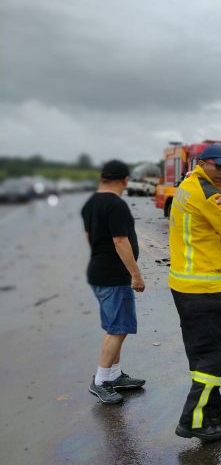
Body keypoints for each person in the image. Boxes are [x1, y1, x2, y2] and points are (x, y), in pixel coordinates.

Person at [169, 143, 221, 443]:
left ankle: (212, 404)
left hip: (185, 284)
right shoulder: (207, 192)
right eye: (220, 165)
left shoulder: (189, 185)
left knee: (201, 352)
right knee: (216, 354)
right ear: (203, 163)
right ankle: (194, 419)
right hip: (203, 287)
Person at [82, 159, 146, 404]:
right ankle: (100, 381)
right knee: (118, 329)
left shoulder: (91, 203)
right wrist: (135, 275)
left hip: (98, 272)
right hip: (114, 276)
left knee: (115, 326)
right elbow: (120, 241)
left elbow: (89, 237)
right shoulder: (115, 204)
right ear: (125, 180)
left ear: (102, 177)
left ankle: (114, 375)